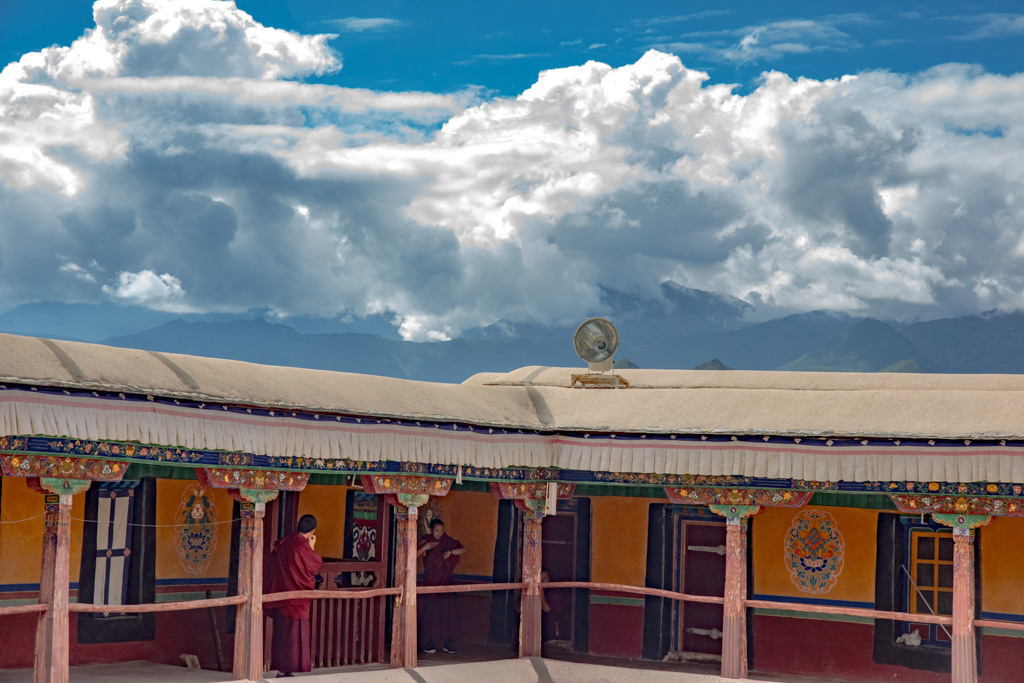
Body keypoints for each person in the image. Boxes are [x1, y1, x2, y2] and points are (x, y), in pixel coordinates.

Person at [264, 514, 323, 678]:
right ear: (312, 530)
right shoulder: (301, 547)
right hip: (296, 600)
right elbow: (314, 564)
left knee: (283, 634)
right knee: (294, 636)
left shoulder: (286, 542)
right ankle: (287, 671)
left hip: (282, 596)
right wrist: (311, 547)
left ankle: (283, 670)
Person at [417, 518, 466, 654]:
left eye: (441, 530)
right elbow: (412, 554)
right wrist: (424, 548)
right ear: (431, 530)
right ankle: (429, 642)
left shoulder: (447, 540)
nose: (439, 533)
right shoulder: (426, 540)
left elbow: (462, 549)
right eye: (437, 531)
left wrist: (450, 552)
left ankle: (448, 642)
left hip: (446, 581)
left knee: (448, 611)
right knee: (431, 612)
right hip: (431, 581)